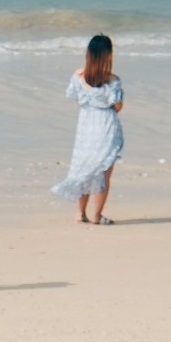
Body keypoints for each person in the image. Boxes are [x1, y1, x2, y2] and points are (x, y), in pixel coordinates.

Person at [51, 34, 124, 224]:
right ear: (108, 56)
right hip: (106, 126)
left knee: (84, 168)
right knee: (103, 173)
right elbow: (117, 106)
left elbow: (76, 98)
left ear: (89, 55)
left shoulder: (78, 76)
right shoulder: (113, 80)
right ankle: (97, 216)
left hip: (86, 125)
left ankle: (80, 213)